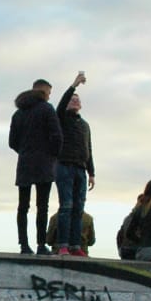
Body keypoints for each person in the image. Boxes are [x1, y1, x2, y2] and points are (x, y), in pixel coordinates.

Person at [9, 78, 62, 255]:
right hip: (44, 163)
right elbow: (57, 135)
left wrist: (24, 151)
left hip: (24, 162)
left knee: (23, 206)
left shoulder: (18, 113)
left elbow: (12, 142)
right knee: (42, 205)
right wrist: (52, 154)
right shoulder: (47, 109)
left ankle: (23, 244)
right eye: (48, 92)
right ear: (43, 91)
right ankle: (41, 244)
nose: (49, 96)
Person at [53, 71, 95, 256]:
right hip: (64, 166)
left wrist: (91, 173)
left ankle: (75, 245)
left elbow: (89, 149)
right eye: (72, 99)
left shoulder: (85, 125)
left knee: (79, 209)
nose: (75, 101)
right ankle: (63, 244)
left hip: (81, 168)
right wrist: (74, 85)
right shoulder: (61, 119)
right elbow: (61, 106)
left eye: (77, 100)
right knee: (66, 206)